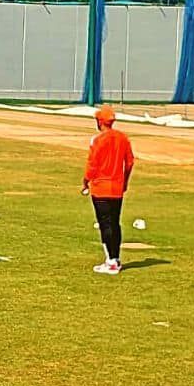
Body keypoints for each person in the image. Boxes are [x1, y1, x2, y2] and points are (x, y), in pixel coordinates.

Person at [82, 105, 136, 275]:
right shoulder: (123, 138)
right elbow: (129, 163)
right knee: (114, 222)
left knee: (105, 223)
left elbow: (93, 164)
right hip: (117, 187)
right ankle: (115, 257)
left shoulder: (98, 140)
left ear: (100, 122)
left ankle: (111, 261)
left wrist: (85, 181)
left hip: (101, 188)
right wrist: (125, 181)